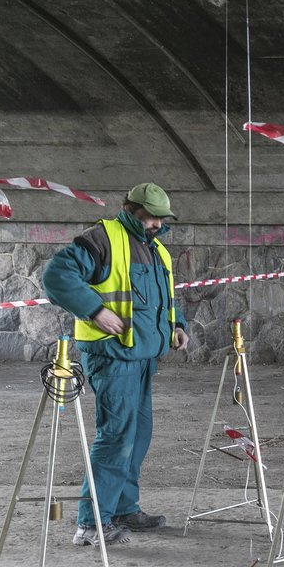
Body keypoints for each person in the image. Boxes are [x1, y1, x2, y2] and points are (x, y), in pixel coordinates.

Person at [43, 183, 189, 546]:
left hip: (141, 357)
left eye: (161, 217)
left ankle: (123, 508)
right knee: (115, 437)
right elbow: (56, 276)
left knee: (136, 436)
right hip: (112, 358)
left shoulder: (156, 251)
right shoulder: (103, 238)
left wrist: (177, 325)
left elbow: (161, 298)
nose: (156, 223)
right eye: (151, 216)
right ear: (129, 207)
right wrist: (95, 310)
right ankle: (91, 523)